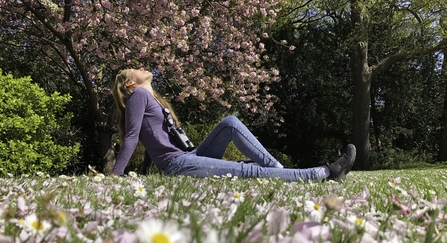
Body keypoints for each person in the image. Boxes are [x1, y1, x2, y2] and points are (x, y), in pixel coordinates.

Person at [110, 68, 356, 181]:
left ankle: (279, 172)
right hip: (178, 164)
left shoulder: (151, 98)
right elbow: (132, 136)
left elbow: (154, 141)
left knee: (230, 122)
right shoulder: (138, 96)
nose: (140, 67)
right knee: (248, 171)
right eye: (134, 69)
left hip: (187, 156)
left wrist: (146, 172)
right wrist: (115, 175)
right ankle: (324, 173)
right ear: (130, 84)